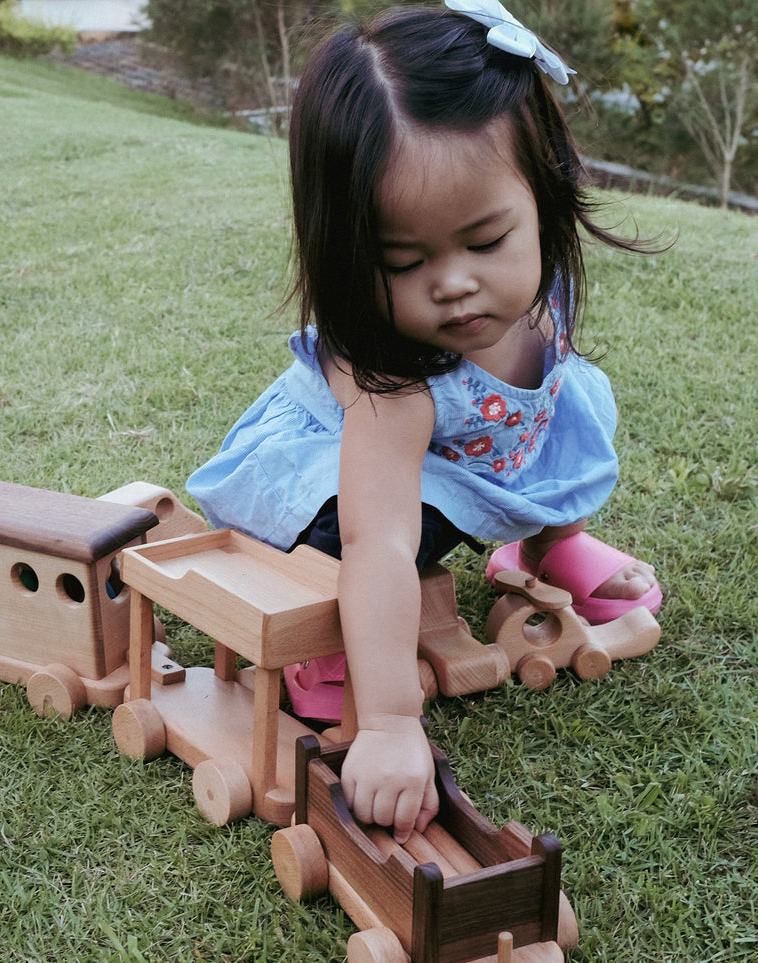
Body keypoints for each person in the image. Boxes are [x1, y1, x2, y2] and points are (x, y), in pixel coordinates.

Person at [187, 1, 663, 844]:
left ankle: (548, 543)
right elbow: (376, 539)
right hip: (345, 475)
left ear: (544, 196)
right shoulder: (394, 375)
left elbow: (543, 414)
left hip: (479, 453)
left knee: (567, 415)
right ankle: (330, 633)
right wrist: (387, 720)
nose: (452, 284)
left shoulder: (540, 287)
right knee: (372, 528)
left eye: (485, 240)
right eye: (402, 261)